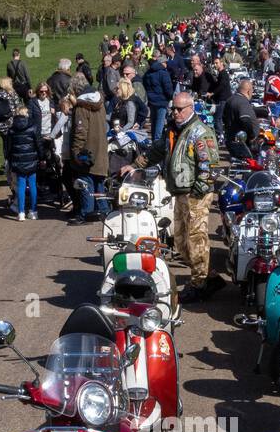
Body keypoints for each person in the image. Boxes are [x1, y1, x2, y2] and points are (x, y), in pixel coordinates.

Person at [122, 91, 221, 304]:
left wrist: (199, 189)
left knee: (196, 239)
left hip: (196, 195)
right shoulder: (173, 131)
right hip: (180, 193)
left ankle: (199, 285)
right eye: (173, 109)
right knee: (181, 242)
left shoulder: (200, 133)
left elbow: (210, 167)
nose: (175, 112)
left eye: (179, 109)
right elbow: (156, 152)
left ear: (190, 108)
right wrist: (135, 166)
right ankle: (209, 277)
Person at [68, 88, 110, 225]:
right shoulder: (101, 104)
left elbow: (80, 132)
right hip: (101, 150)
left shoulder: (81, 108)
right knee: (99, 182)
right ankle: (104, 211)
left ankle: (86, 213)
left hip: (87, 152)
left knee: (86, 182)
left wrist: (76, 152)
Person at [7, 105, 45, 220]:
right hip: (32, 160)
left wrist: (9, 160)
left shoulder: (12, 129)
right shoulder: (33, 127)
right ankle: (33, 211)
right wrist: (42, 157)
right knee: (32, 185)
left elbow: (8, 148)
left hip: (18, 161)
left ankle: (21, 212)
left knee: (21, 186)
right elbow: (39, 144)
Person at [223, 77, 260, 151]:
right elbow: (245, 119)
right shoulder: (243, 102)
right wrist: (251, 136)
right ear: (249, 91)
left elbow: (224, 118)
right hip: (244, 143)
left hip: (232, 139)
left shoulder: (230, 99)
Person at [143, 52, 173, 141]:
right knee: (159, 124)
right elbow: (168, 88)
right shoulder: (163, 73)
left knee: (153, 122)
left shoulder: (148, 72)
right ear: (162, 63)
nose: (166, 64)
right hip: (162, 102)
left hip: (151, 101)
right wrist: (170, 97)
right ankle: (157, 144)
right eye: (165, 63)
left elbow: (144, 83)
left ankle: (153, 142)